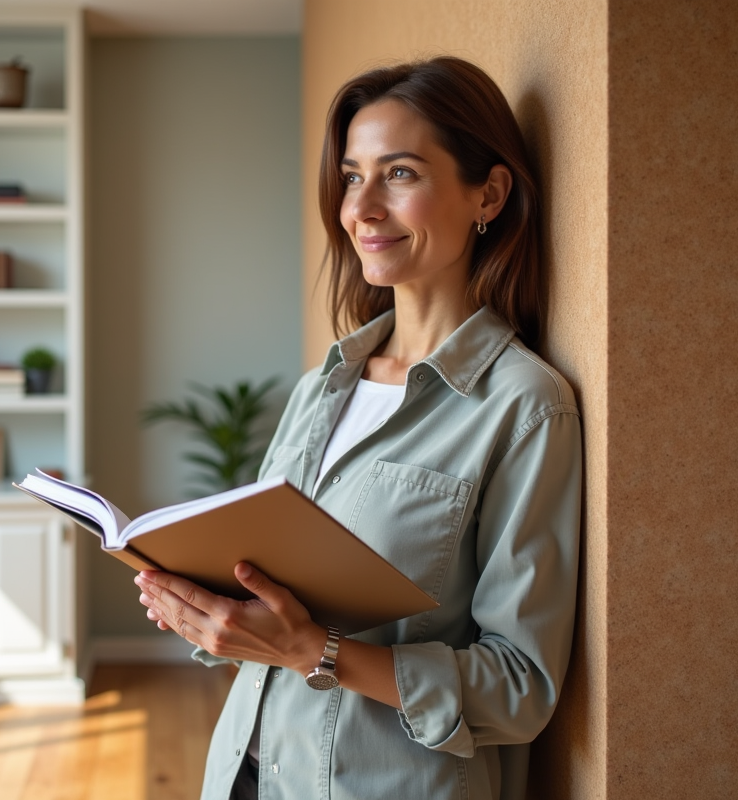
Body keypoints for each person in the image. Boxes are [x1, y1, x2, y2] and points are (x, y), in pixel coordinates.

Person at [135, 56, 582, 800]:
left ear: (490, 194)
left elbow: (521, 688)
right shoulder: (325, 383)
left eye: (399, 174)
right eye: (351, 176)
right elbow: (269, 585)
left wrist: (317, 651)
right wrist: (212, 614)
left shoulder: (524, 407)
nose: (362, 208)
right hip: (246, 771)